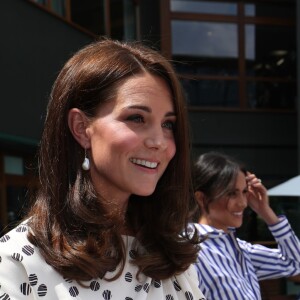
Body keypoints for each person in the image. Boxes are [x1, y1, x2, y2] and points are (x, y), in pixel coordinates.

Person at [0, 39, 205, 300]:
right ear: (80, 128)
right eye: (136, 118)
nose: (159, 142)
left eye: (168, 124)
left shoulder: (171, 255)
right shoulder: (18, 264)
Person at [191, 151, 300, 300]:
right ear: (202, 198)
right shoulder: (188, 250)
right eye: (231, 193)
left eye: (244, 192)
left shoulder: (242, 250)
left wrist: (266, 211)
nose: (243, 203)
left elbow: (295, 263)